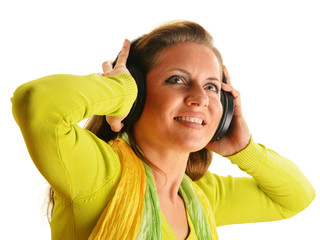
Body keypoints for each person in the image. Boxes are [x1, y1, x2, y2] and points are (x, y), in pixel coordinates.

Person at [11, 21, 315, 240]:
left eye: (211, 86)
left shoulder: (201, 195)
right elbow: (37, 102)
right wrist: (119, 91)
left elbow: (296, 197)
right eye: (177, 80)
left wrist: (243, 150)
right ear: (140, 92)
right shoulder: (99, 173)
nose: (199, 99)